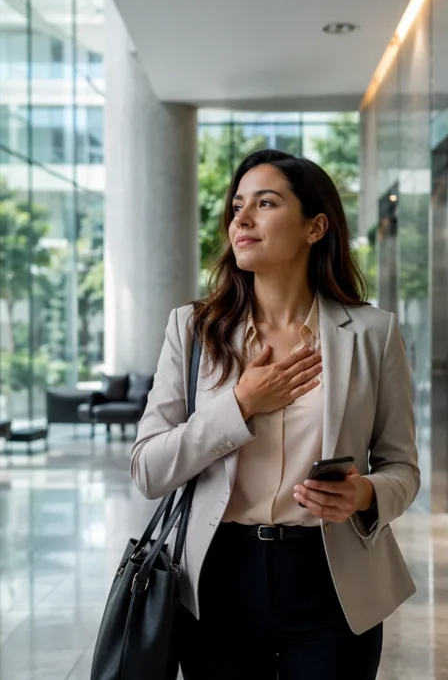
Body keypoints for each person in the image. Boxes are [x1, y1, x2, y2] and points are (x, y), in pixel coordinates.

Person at [131, 149, 419, 680]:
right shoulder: (193, 331)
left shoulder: (373, 334)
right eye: (237, 205)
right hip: (218, 579)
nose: (241, 218)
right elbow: (148, 469)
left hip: (334, 582)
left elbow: (403, 468)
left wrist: (365, 495)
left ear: (316, 226)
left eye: (265, 203)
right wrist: (239, 405)